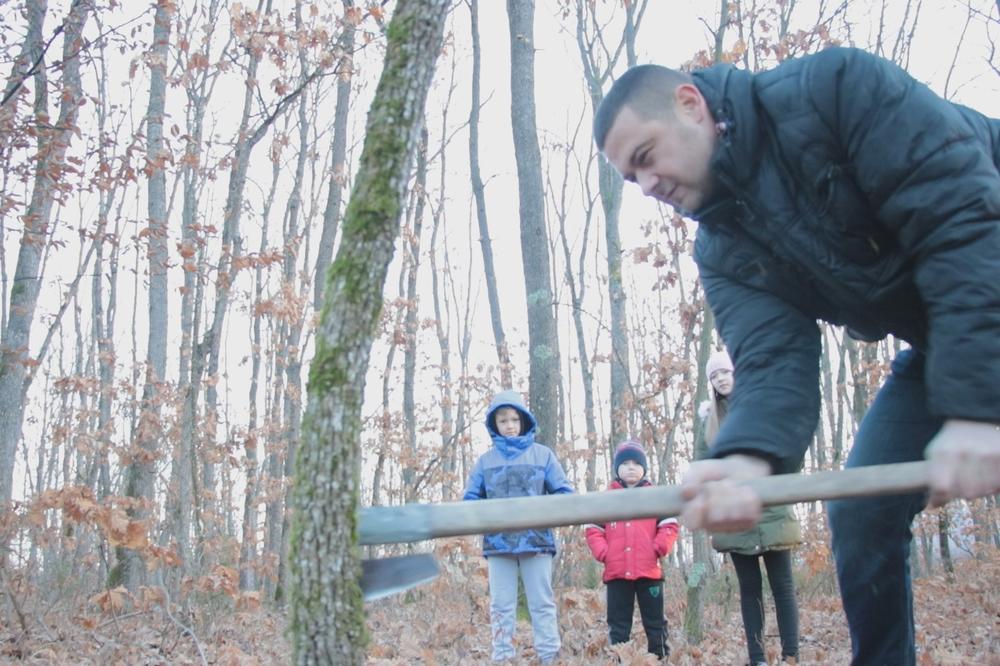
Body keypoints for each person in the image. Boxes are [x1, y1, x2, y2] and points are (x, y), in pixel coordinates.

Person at [593, 47, 1000, 665]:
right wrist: (746, 459)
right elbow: (773, 360)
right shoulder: (722, 250)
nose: (647, 186)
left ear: (689, 104)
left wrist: (977, 404)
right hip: (951, 341)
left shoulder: (833, 92)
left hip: (982, 294)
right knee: (860, 512)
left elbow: (963, 223)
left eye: (645, 158)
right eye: (631, 177)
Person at [701, 350, 800, 666]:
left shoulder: (761, 405)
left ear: (736, 373)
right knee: (750, 591)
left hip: (771, 507)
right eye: (715, 376)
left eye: (725, 373)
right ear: (711, 383)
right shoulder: (709, 421)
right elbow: (704, 463)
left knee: (783, 586)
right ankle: (757, 658)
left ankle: (791, 655)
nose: (721, 379)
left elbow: (781, 449)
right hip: (734, 514)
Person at [463, 389, 574, 664]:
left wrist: (544, 514)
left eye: (514, 419)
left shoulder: (543, 455)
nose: (510, 425)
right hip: (498, 545)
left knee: (542, 603)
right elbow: (470, 500)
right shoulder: (485, 461)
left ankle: (549, 657)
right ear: (494, 425)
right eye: (503, 421)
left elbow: (564, 494)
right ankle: (502, 658)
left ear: (523, 420)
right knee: (501, 606)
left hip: (536, 543)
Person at [585, 440, 680, 660]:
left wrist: (658, 547)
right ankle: (620, 659)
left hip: (649, 572)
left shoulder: (655, 496)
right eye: (625, 463)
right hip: (616, 573)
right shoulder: (606, 498)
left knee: (655, 622)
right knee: (618, 624)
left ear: (644, 468)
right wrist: (604, 553)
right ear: (617, 468)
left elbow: (669, 525)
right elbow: (593, 529)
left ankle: (659, 659)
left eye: (636, 463)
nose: (631, 467)